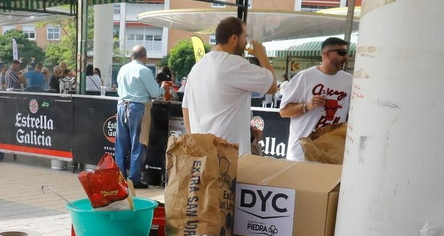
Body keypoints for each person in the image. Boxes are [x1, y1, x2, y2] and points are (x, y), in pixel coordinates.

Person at [180, 16, 277, 157]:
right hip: (230, 159)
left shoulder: (197, 67)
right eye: (244, 37)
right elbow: (272, 85)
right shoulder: (234, 64)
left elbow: (186, 108)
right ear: (234, 38)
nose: (246, 43)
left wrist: (195, 141)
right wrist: (262, 55)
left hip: (203, 157)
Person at [277, 37, 351, 161]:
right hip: (301, 156)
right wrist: (307, 106)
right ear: (326, 54)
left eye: (346, 53)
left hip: (332, 155)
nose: (346, 57)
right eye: (341, 53)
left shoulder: (349, 80)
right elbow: (284, 111)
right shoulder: (304, 77)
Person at [115, 44, 159, 187]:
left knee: (121, 145)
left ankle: (120, 178)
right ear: (145, 57)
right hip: (137, 107)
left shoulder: (123, 69)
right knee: (138, 144)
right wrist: (163, 89)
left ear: (131, 56)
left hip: (122, 106)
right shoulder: (144, 70)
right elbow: (155, 93)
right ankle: (134, 179)